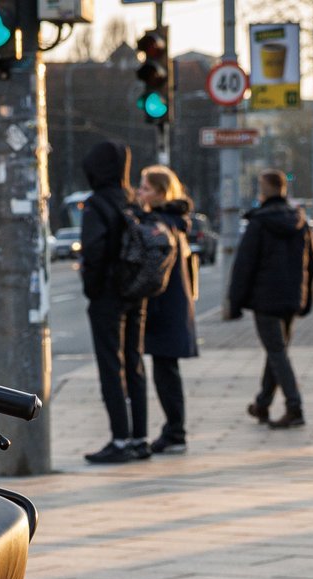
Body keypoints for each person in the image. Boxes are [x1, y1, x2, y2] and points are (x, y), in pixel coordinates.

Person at [226, 169, 313, 430]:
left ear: (262, 191)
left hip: (265, 299)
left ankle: (294, 407)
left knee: (276, 352)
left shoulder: (259, 223)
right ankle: (263, 404)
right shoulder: (300, 222)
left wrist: (235, 302)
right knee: (277, 351)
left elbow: (244, 266)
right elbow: (310, 263)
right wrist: (306, 298)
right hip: (291, 297)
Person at [79, 141, 149, 464]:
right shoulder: (132, 199)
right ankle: (140, 438)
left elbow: (93, 252)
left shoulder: (97, 204)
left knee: (111, 366)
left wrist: (92, 289)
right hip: (136, 292)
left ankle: (119, 439)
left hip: (107, 294)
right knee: (134, 363)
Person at [137, 164, 198, 452]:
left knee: (165, 372)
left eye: (146, 188)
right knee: (166, 370)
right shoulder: (174, 220)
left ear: (161, 193)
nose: (139, 192)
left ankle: (175, 432)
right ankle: (174, 430)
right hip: (174, 305)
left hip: (164, 305)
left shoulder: (159, 223)